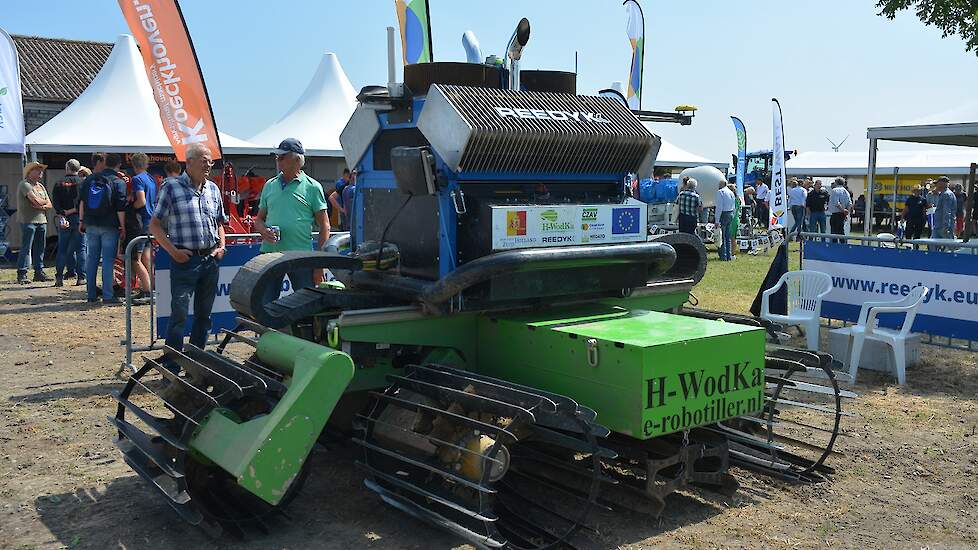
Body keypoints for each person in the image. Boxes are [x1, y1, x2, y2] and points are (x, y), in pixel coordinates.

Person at [149, 143, 227, 364]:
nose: (209, 165)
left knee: (204, 316)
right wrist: (173, 252)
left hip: (210, 259)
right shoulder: (171, 187)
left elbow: (219, 223)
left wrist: (221, 246)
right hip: (185, 261)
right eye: (204, 161)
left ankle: (196, 364)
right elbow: (154, 225)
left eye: (210, 162)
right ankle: (172, 367)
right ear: (189, 161)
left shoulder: (212, 189)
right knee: (179, 316)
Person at [254, 138, 330, 305]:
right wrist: (262, 230)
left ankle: (306, 333)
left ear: (297, 159)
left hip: (301, 257)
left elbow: (325, 226)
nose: (278, 160)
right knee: (265, 305)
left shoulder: (312, 187)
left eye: (282, 157)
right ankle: (266, 332)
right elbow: (258, 219)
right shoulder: (269, 185)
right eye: (277, 157)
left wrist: (320, 264)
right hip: (270, 255)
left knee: (306, 306)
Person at [79, 153, 128, 303]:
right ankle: (108, 295)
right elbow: (120, 208)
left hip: (91, 223)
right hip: (110, 225)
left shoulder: (89, 179)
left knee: (91, 258)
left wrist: (81, 221)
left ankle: (91, 294)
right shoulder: (118, 182)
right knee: (107, 260)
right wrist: (123, 227)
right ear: (118, 165)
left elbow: (82, 202)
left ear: (105, 163)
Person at [16, 162, 53, 284]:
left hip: (42, 221)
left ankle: (39, 272)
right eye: (37, 170)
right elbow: (35, 200)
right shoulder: (25, 184)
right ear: (29, 172)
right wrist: (42, 204)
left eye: (41, 170)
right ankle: (22, 273)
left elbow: (49, 204)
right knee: (26, 247)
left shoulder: (41, 186)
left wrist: (40, 205)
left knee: (40, 248)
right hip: (28, 221)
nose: (40, 173)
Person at [52, 159, 88, 286]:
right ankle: (81, 277)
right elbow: (84, 203)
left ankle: (59, 278)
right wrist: (73, 210)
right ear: (78, 169)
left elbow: (55, 203)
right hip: (80, 218)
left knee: (62, 248)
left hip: (64, 219)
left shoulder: (58, 183)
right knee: (81, 249)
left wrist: (63, 213)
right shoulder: (83, 183)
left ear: (67, 168)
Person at [128, 152, 156, 300]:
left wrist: (131, 207)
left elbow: (141, 201)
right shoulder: (150, 178)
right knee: (146, 258)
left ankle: (146, 291)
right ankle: (151, 287)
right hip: (151, 221)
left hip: (141, 221)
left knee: (135, 259)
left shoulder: (137, 179)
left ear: (133, 165)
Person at [715, 181, 736, 261]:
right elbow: (733, 206)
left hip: (723, 214)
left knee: (722, 236)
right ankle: (729, 255)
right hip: (730, 213)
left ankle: (723, 256)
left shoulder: (720, 192)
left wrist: (717, 220)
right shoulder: (731, 192)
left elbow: (719, 207)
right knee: (728, 236)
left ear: (722, 184)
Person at [827, 177, 852, 243]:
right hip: (842, 215)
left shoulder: (835, 190)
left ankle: (834, 247)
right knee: (841, 231)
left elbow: (836, 203)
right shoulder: (846, 191)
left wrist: (843, 210)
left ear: (836, 182)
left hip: (836, 214)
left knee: (834, 232)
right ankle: (843, 246)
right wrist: (846, 213)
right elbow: (849, 204)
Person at [932, 176, 957, 241]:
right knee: (933, 245)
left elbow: (947, 211)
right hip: (939, 225)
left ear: (942, 184)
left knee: (949, 246)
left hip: (943, 226)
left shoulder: (946, 194)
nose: (936, 185)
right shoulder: (944, 194)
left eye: (937, 183)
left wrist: (946, 226)